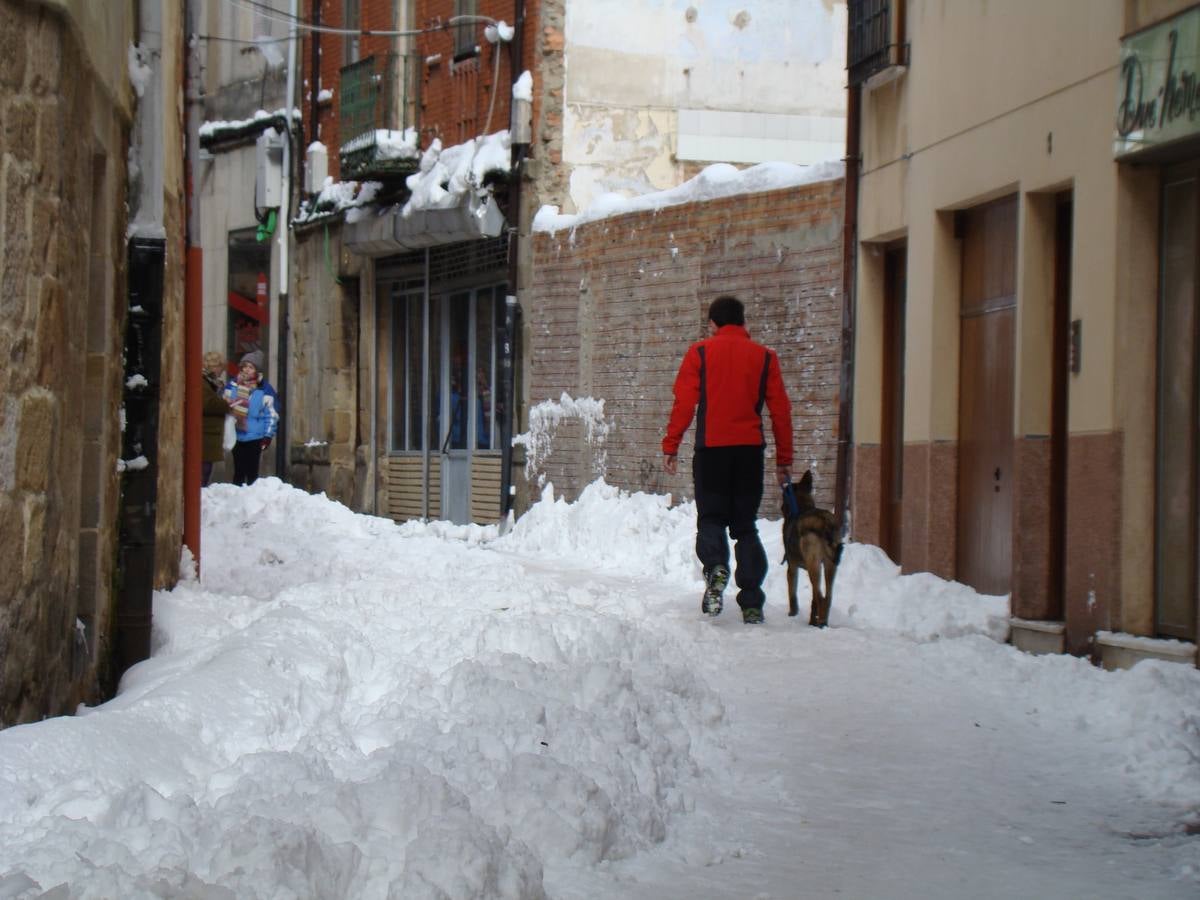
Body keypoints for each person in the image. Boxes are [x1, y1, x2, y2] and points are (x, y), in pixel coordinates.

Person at [662, 295, 793, 624]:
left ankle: (716, 569)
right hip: (749, 453)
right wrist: (783, 460)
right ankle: (750, 601)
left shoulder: (701, 353)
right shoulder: (765, 357)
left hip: (711, 453)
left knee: (711, 520)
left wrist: (671, 444)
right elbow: (781, 412)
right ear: (743, 322)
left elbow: (684, 402)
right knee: (745, 527)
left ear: (712, 324)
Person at [224, 350, 278, 486]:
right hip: (237, 434)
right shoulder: (232, 386)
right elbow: (224, 405)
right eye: (245, 366)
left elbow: (270, 415)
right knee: (238, 472)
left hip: (255, 436)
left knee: (252, 473)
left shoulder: (265, 390)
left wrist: (268, 435)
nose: (247, 370)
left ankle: (251, 502)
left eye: (251, 367)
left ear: (257, 370)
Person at [201, 351, 230, 486]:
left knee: (206, 470)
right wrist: (226, 404)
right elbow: (206, 404)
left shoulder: (212, 383)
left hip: (210, 434)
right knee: (203, 471)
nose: (221, 372)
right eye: (220, 368)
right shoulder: (203, 382)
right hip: (205, 434)